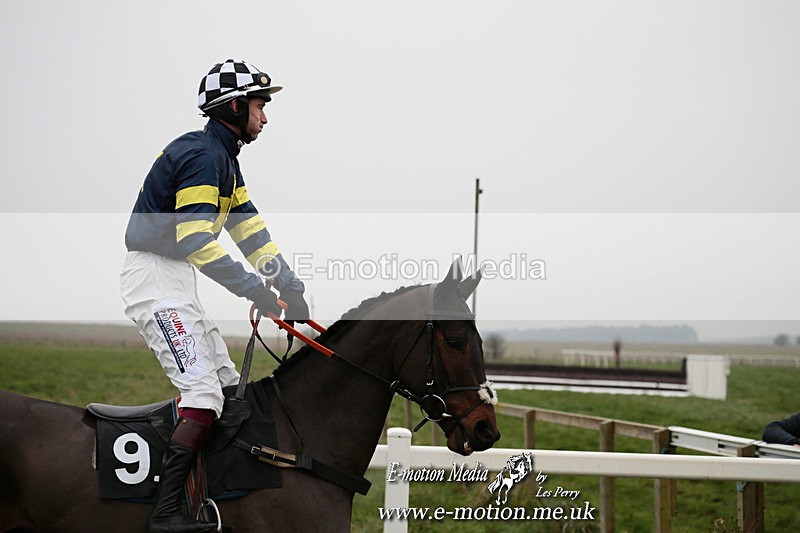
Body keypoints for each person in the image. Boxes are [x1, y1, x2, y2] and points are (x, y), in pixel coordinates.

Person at [121, 58, 309, 533]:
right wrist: (255, 290)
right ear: (234, 107)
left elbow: (251, 233)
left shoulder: (225, 161)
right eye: (260, 106)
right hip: (154, 279)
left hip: (176, 280)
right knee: (204, 394)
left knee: (227, 385)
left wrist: (289, 285)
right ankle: (165, 514)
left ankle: (217, 494)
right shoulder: (203, 157)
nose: (265, 117)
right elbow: (195, 240)